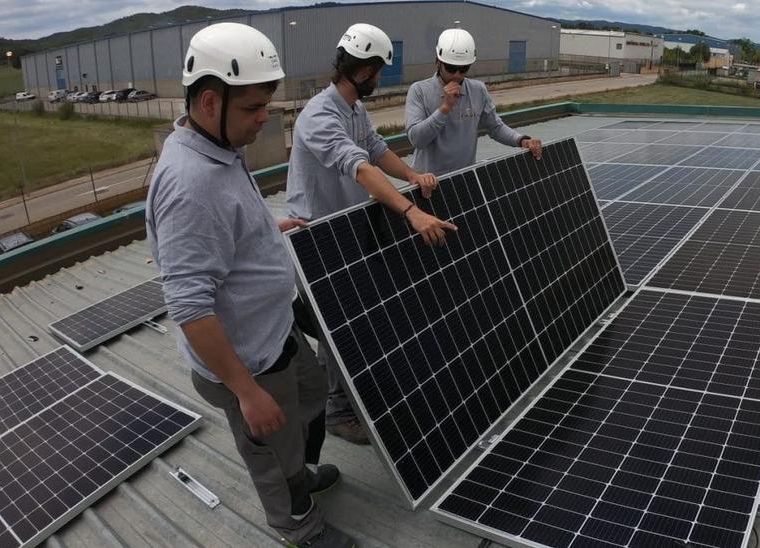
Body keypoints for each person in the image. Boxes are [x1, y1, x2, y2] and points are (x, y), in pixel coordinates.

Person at [145, 23, 354, 548]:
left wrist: (268, 230)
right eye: (253, 108)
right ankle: (297, 525)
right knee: (272, 447)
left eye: (267, 104)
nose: (266, 118)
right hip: (248, 363)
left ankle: (300, 474)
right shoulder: (189, 185)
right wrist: (245, 392)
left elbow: (231, 225)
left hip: (273, 332)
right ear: (210, 101)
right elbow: (190, 307)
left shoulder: (218, 147)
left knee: (308, 397)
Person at [285, 23, 456, 445]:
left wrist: (413, 174)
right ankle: (337, 412)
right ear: (360, 70)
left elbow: (377, 151)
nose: (378, 79)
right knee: (334, 327)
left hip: (347, 226)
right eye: (376, 71)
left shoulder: (355, 111)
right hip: (317, 235)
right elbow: (360, 168)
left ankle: (347, 398)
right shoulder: (319, 116)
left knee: (348, 320)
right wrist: (411, 211)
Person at [405, 27, 543, 174]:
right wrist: (444, 108)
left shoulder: (478, 90)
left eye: (464, 68)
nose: (457, 75)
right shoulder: (419, 91)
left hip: (464, 177)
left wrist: (522, 140)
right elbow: (417, 140)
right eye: (451, 68)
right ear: (437, 62)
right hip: (427, 181)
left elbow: (495, 127)